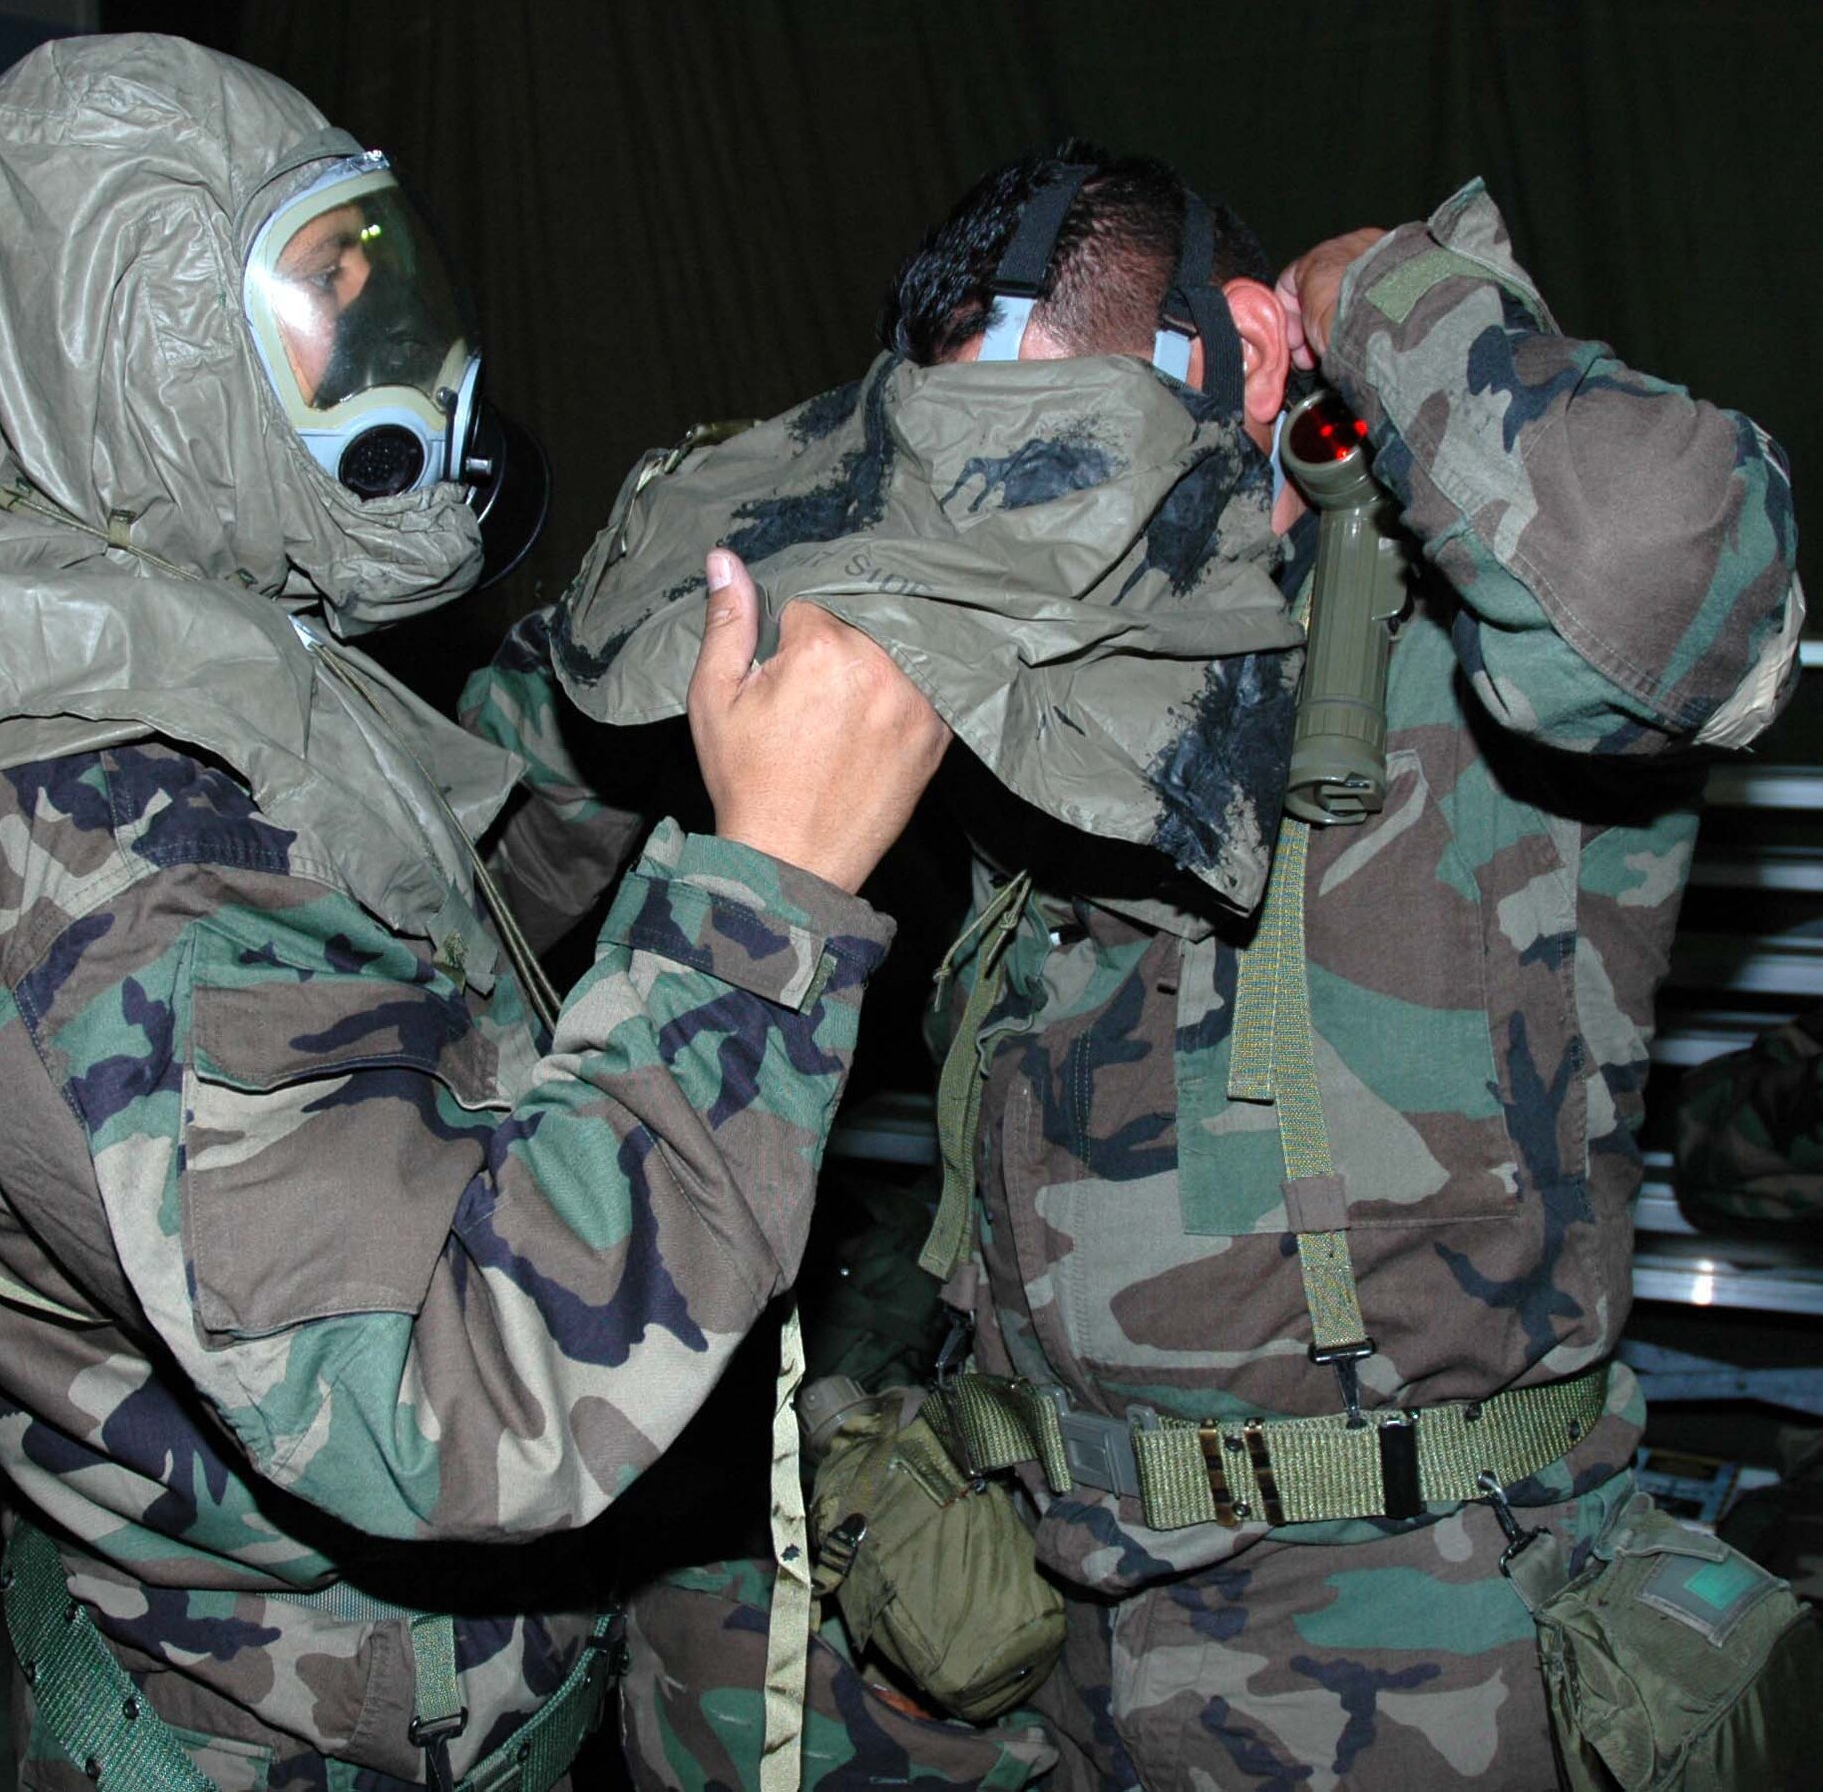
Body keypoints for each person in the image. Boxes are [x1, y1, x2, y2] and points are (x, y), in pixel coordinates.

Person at [519, 143, 1801, 1787]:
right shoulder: (995, 624)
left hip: (1397, 1623)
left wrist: (1374, 290)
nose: (1031, 540)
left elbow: (1675, 564)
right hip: (1041, 1587)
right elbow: (563, 713)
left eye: (1072, 456)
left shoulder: (1466, 643)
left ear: (1248, 360)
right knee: (700, 1651)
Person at [0, 33, 948, 1791]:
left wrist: (630, 674)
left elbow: (394, 900)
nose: (404, 356)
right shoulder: (82, 865)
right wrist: (775, 891)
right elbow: (470, 1396)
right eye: (329, 309)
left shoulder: (123, 608)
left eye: (383, 281)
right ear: (153, 356)